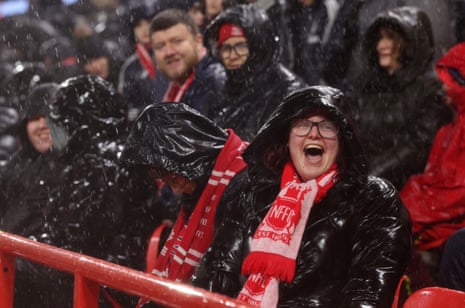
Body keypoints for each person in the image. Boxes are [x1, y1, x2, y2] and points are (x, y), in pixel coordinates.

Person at [192, 86, 412, 307]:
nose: (314, 134)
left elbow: (368, 294)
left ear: (343, 140)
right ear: (286, 139)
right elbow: (215, 277)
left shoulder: (373, 199)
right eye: (302, 124)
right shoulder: (253, 194)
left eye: (327, 126)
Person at [120, 102, 248, 305]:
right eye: (167, 182)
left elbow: (221, 275)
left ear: (189, 155)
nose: (176, 190)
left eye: (174, 178)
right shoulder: (204, 181)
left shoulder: (240, 185)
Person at [352, 6, 453, 190]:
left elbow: (419, 146)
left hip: (411, 187)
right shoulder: (372, 86)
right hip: (371, 183)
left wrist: (376, 173)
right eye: (380, 37)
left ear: (410, 43)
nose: (382, 44)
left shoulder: (430, 90)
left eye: (390, 37)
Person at [204, 4, 305, 141]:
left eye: (241, 46)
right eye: (226, 48)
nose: (233, 55)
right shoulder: (225, 89)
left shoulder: (288, 91)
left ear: (257, 45)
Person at [400, 41, 465, 251]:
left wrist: (414, 205)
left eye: (450, 81)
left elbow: (456, 193)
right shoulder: (451, 127)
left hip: (448, 219)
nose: (443, 87)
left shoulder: (456, 128)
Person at [149, 8, 226, 118]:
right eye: (160, 46)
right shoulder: (164, 85)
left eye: (177, 41)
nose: (169, 52)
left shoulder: (215, 82)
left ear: (198, 41)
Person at [118, 4, 169, 123]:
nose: (145, 29)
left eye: (148, 22)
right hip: (149, 129)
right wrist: (149, 115)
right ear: (133, 31)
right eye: (138, 25)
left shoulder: (172, 53)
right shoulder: (129, 68)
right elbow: (127, 107)